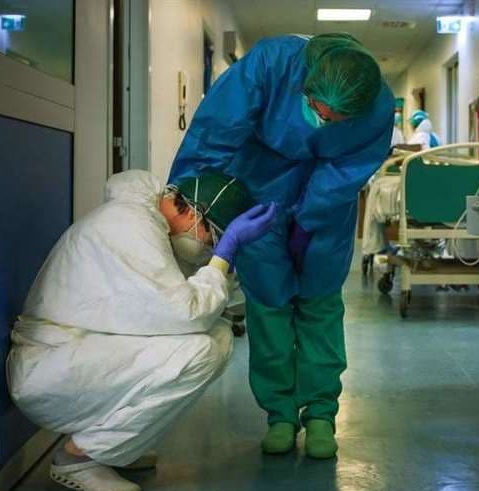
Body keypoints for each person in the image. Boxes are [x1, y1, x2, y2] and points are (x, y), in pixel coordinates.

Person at [169, 33, 394, 460]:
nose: (322, 123)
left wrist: (309, 220)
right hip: (258, 185)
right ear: (306, 85)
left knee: (320, 301)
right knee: (268, 302)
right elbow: (216, 130)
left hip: (328, 202)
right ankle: (280, 414)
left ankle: (321, 412)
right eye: (316, 111)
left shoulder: (378, 105)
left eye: (335, 120)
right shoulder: (272, 63)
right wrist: (189, 196)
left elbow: (347, 169)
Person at [7, 169, 276, 491]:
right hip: (46, 368)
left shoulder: (147, 224)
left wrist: (224, 261)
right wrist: (223, 258)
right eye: (212, 240)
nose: (208, 249)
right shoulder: (130, 227)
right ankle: (78, 458)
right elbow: (187, 313)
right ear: (195, 213)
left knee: (217, 335)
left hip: (73, 351)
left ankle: (112, 446)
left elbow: (192, 303)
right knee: (200, 352)